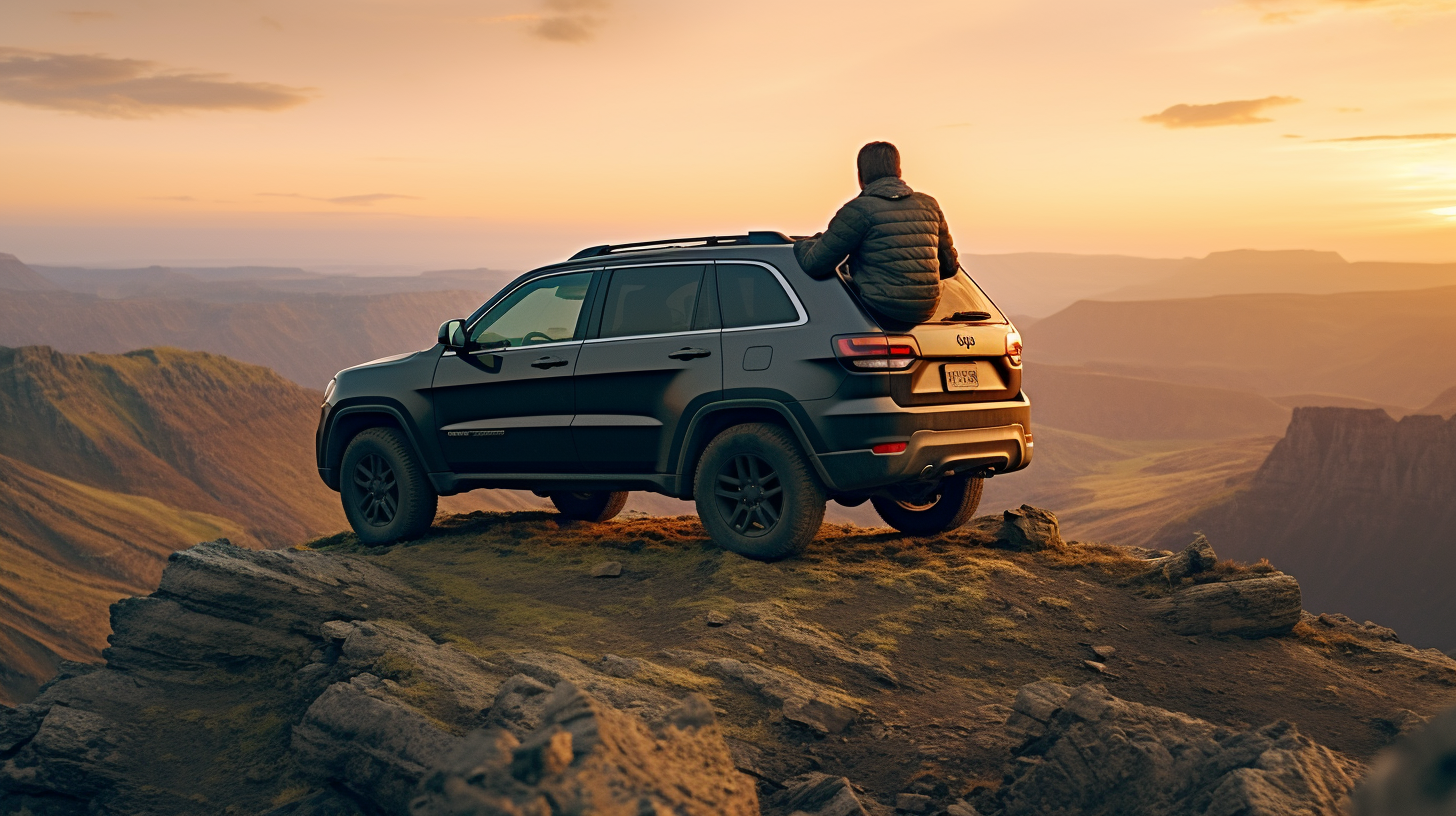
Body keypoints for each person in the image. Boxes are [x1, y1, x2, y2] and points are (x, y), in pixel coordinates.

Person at [794, 141, 959, 324]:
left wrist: (802, 243)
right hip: (928, 311)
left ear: (860, 176)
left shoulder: (859, 210)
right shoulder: (929, 205)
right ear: (899, 171)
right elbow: (949, 267)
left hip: (880, 309)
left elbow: (814, 264)